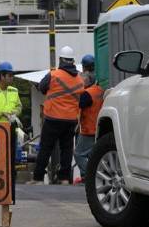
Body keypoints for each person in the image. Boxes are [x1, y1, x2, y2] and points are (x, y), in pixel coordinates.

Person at [27, 46, 84, 185]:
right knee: (67, 150)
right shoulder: (80, 80)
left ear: (60, 60)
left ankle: (38, 178)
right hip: (70, 120)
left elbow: (42, 87)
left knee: (46, 148)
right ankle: (64, 178)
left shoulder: (53, 75)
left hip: (53, 118)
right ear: (72, 61)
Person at [74, 71, 103, 185]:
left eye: (81, 80)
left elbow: (78, 104)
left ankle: (89, 176)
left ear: (86, 81)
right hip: (98, 127)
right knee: (91, 155)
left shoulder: (87, 94)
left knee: (79, 154)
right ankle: (93, 176)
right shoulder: (99, 90)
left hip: (89, 129)